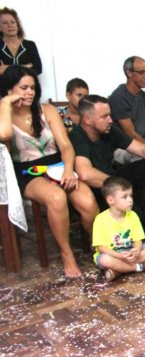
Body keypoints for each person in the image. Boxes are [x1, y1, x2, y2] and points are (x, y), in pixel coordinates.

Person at [0, 65, 98, 278]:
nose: (30, 92)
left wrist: (68, 170)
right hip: (27, 172)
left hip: (59, 165)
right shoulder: (3, 114)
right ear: (9, 89)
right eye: (23, 88)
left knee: (88, 202)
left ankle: (99, 246)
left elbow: (66, 147)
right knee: (56, 197)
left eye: (33, 88)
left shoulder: (47, 110)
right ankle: (66, 254)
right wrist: (6, 103)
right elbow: (4, 134)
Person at [70, 94, 145, 228]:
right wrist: (120, 186)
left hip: (112, 176)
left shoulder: (109, 130)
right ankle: (136, 204)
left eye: (109, 115)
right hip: (96, 188)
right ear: (88, 120)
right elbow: (85, 173)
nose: (110, 120)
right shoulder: (77, 137)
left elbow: (142, 150)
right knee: (137, 218)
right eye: (104, 116)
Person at [93, 176, 145, 282]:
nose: (130, 200)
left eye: (131, 196)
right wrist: (119, 256)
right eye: (125, 197)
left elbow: (137, 240)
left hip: (130, 252)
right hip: (113, 254)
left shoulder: (133, 215)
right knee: (105, 260)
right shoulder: (100, 219)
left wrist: (137, 250)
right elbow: (101, 248)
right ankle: (139, 267)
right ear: (110, 200)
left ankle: (119, 270)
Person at [109, 56, 145, 165]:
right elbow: (130, 133)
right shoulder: (119, 97)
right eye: (141, 72)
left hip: (142, 142)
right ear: (129, 72)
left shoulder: (143, 96)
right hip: (124, 146)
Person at [0, 8, 41, 75]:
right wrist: (27, 66)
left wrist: (7, 68)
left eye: (13, 22)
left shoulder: (30, 45)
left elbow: (38, 69)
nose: (10, 25)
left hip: (28, 82)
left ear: (17, 25)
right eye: (5, 23)